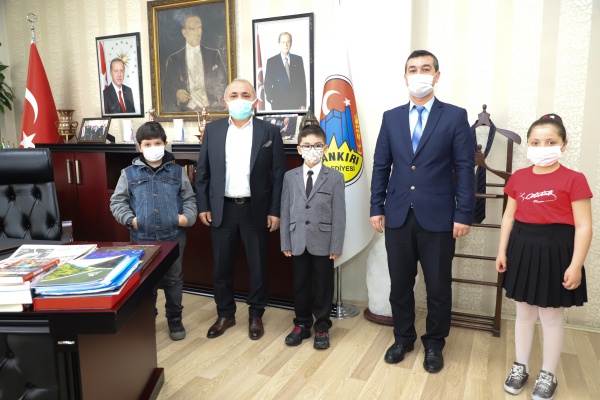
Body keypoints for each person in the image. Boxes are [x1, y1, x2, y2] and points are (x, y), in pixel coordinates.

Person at [370, 50, 475, 373]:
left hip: (439, 216)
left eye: (425, 68)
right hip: (398, 213)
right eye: (413, 69)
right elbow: (381, 165)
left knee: (438, 287)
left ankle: (434, 344)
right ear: (405, 77)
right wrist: (376, 206)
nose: (419, 74)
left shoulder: (454, 116)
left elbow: (464, 168)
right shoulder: (391, 117)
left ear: (436, 76)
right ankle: (403, 338)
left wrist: (464, 213)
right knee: (400, 284)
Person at [496, 114, 592, 400]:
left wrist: (576, 264)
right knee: (524, 313)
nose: (542, 147)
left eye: (551, 142)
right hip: (522, 248)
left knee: (551, 316)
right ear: (528, 144)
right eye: (536, 142)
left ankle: (548, 373)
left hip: (556, 251)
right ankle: (520, 367)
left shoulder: (574, 179)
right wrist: (502, 250)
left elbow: (584, 226)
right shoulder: (519, 177)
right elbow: (509, 217)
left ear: (564, 145)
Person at [195, 78, 286, 340]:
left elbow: (278, 175)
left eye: (245, 95)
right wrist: (203, 205)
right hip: (221, 209)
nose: (239, 99)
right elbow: (203, 172)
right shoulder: (212, 130)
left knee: (258, 266)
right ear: (225, 102)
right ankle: (225, 313)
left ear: (255, 101)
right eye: (233, 95)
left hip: (255, 209)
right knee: (221, 266)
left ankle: (256, 314)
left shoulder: (270, 132)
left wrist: (275, 210)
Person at [110, 121, 197, 341]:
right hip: (142, 239)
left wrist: (186, 218)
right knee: (145, 281)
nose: (153, 147)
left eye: (157, 143)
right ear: (139, 147)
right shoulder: (128, 173)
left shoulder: (177, 171)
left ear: (165, 144)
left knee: (174, 280)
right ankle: (147, 318)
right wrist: (132, 221)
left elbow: (189, 199)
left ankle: (174, 319)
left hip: (174, 237)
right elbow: (117, 202)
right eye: (147, 144)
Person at [280, 125, 346, 350]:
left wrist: (336, 244)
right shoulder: (290, 177)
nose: (312, 150)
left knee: (323, 285)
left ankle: (322, 326)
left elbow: (339, 214)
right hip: (297, 239)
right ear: (299, 149)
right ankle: (301, 323)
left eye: (317, 146)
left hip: (324, 241)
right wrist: (285, 240)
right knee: (300, 284)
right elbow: (285, 210)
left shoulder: (335, 177)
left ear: (325, 148)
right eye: (307, 146)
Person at [162, 14, 227, 112]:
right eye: (192, 29)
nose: (198, 33)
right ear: (184, 32)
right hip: (186, 110)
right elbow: (167, 89)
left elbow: (223, 84)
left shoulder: (214, 55)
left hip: (210, 109)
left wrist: (216, 106)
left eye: (199, 28)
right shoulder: (174, 59)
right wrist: (176, 93)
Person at [263, 32, 306, 111]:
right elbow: (267, 83)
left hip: (295, 103)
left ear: (291, 43)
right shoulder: (271, 61)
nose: (286, 45)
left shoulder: (298, 60)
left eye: (288, 42)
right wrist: (271, 99)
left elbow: (302, 83)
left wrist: (303, 103)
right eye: (283, 42)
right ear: (279, 43)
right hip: (278, 104)